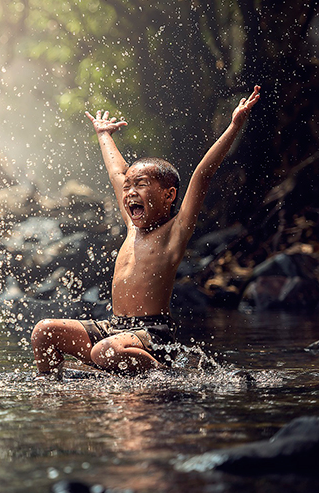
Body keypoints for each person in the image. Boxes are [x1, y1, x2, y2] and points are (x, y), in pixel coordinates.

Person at [31, 86, 261, 377]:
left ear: (168, 195)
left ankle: (166, 377)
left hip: (152, 333)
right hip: (114, 328)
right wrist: (103, 135)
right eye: (128, 188)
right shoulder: (131, 226)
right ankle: (53, 391)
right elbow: (117, 172)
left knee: (104, 351)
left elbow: (203, 173)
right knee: (45, 331)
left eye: (140, 185)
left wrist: (233, 126)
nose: (129, 193)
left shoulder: (174, 232)